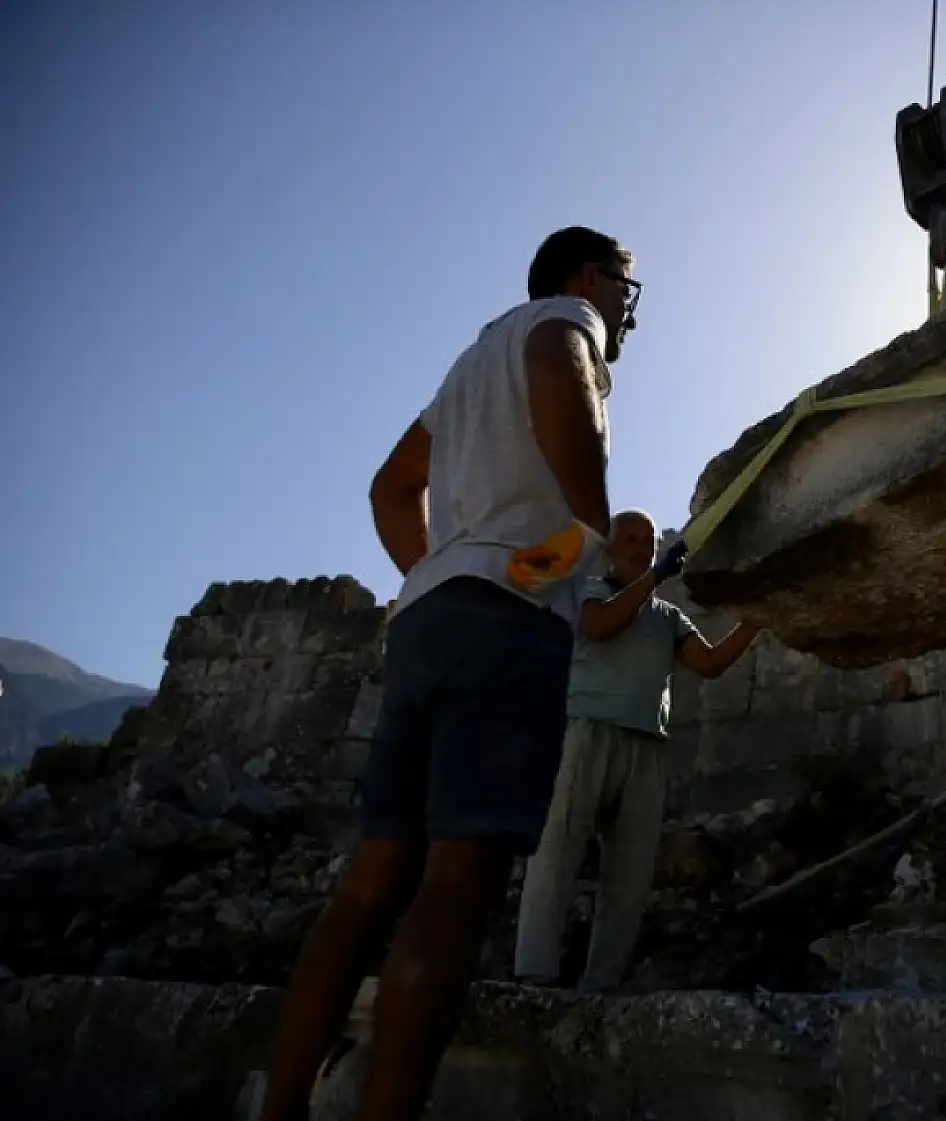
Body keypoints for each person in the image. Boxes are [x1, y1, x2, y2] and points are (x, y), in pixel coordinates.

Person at [258, 225, 640, 1121]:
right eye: (627, 286)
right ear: (592, 276)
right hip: (506, 623)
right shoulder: (564, 321)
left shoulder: (475, 358)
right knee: (456, 888)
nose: (628, 307)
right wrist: (592, 528)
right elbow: (559, 359)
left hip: (430, 618)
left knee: (368, 888)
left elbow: (392, 487)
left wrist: (440, 570)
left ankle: (279, 1108)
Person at [513, 509, 760, 991]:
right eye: (630, 539)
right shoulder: (591, 591)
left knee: (629, 878)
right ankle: (533, 975)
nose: (641, 546)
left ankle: (601, 986)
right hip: (588, 733)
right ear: (608, 549)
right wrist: (654, 578)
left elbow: (708, 663)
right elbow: (600, 625)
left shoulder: (669, 617)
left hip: (647, 745)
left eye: (648, 540)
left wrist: (758, 620)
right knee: (556, 855)